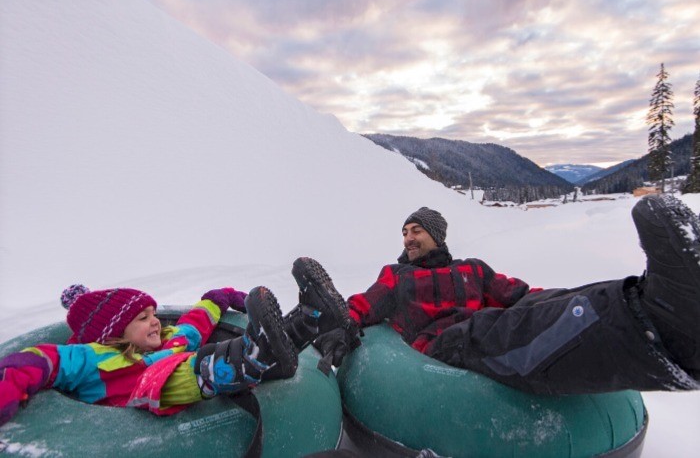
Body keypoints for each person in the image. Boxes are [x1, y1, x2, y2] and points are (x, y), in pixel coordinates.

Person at [311, 194, 700, 395]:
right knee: (491, 327)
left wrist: (563, 299)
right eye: (405, 232)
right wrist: (341, 327)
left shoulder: (473, 269)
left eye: (416, 230)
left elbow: (520, 295)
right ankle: (666, 328)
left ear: (436, 235)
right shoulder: (397, 275)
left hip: (482, 327)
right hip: (446, 343)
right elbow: (363, 305)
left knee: (540, 303)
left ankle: (650, 299)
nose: (408, 238)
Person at [0, 266, 350, 426]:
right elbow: (41, 359)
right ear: (114, 334)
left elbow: (198, 319)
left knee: (200, 353)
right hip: (142, 407)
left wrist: (224, 297)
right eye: (143, 318)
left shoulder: (172, 339)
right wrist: (11, 385)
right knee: (162, 372)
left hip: (210, 381)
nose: (156, 321)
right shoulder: (91, 357)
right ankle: (247, 357)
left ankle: (309, 319)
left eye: (154, 313)